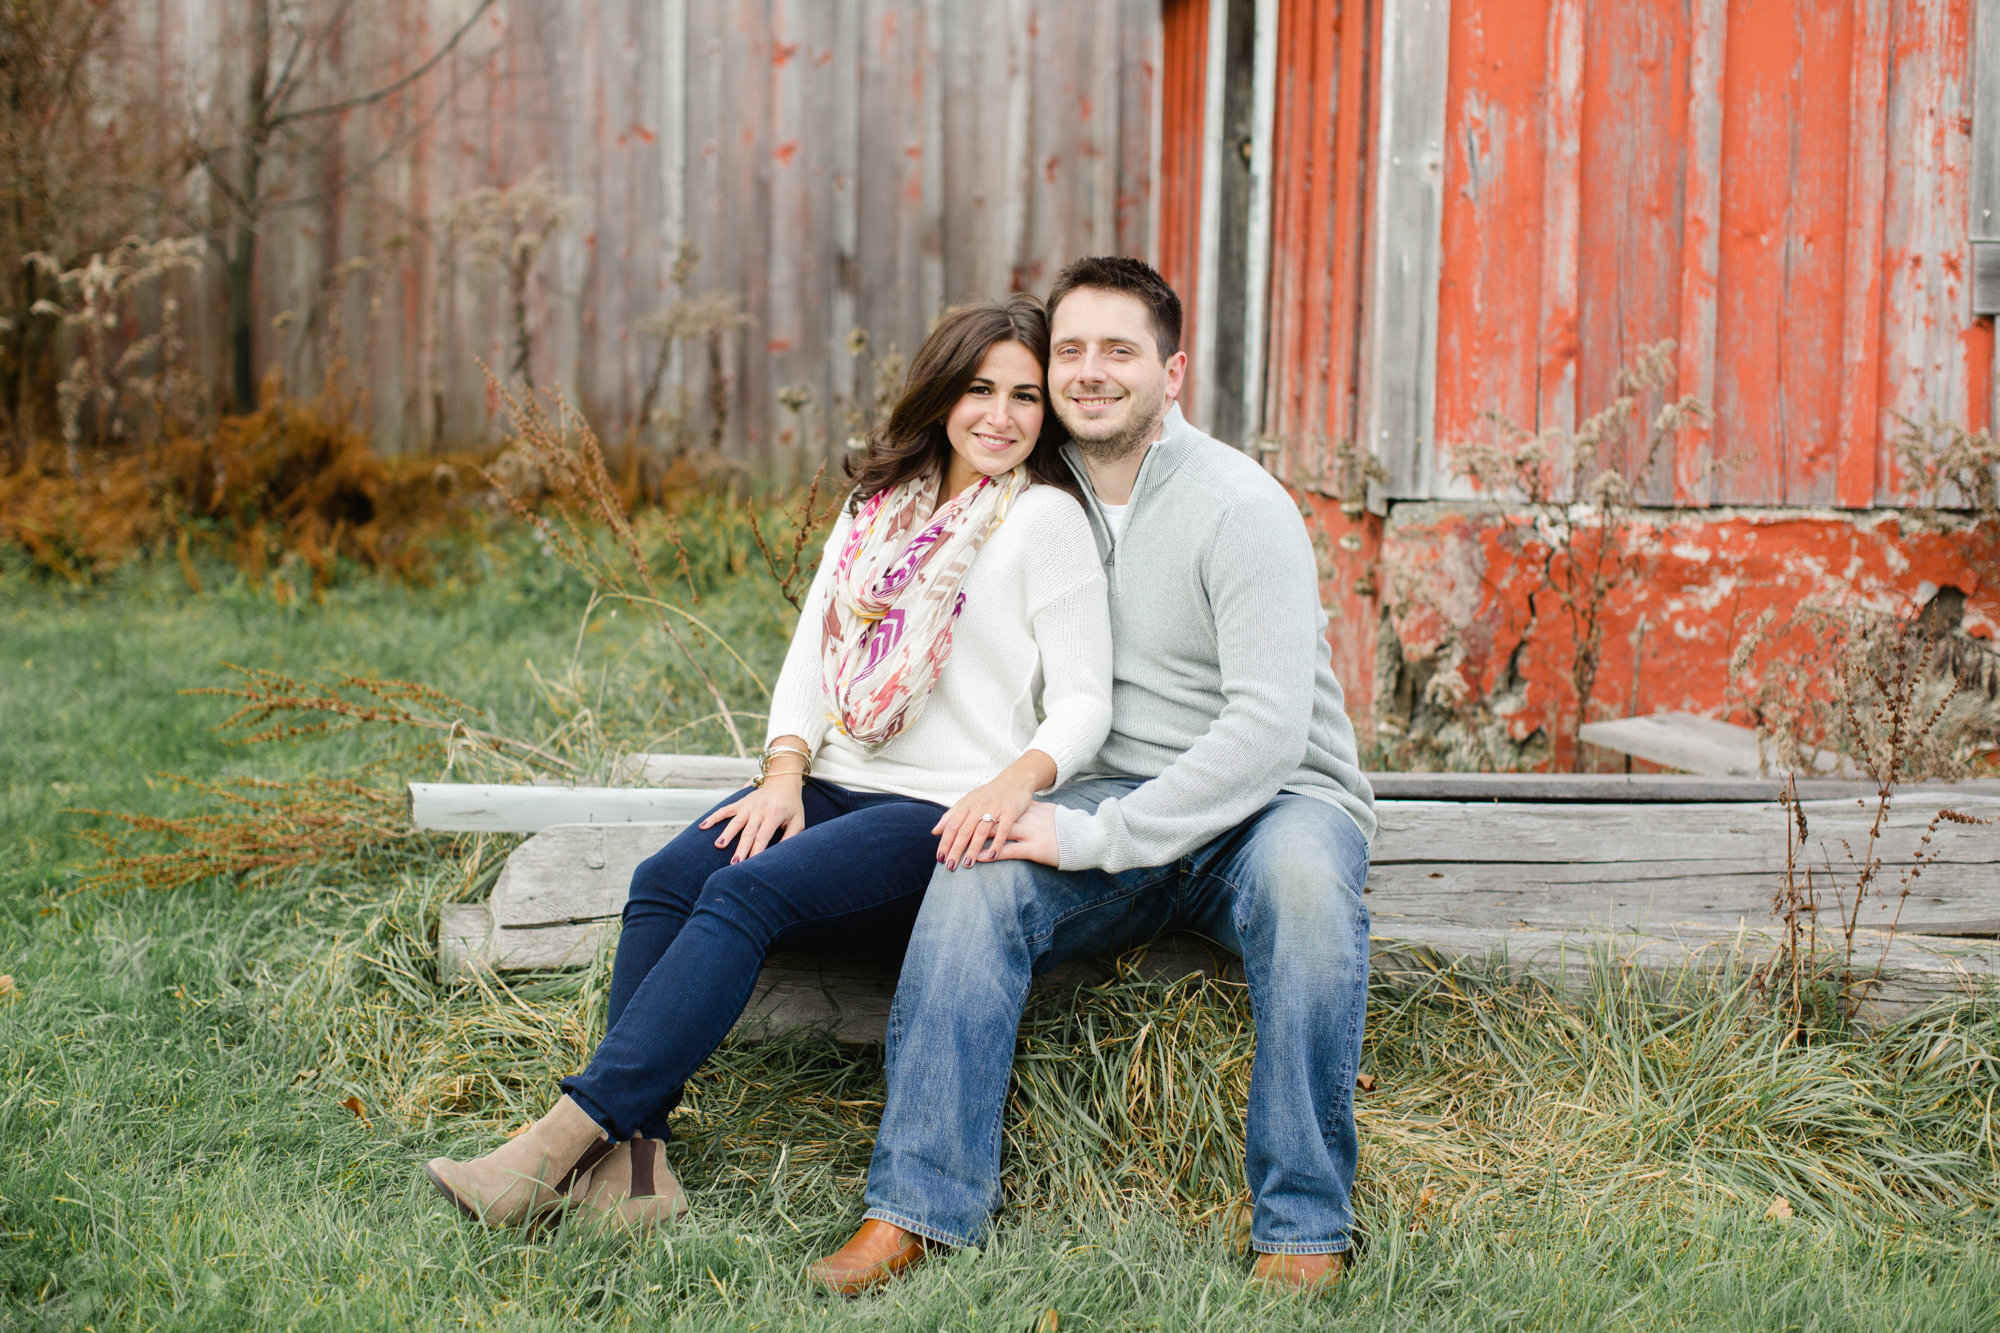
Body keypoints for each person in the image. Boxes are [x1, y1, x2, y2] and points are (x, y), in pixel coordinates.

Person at [422, 294, 1112, 1235]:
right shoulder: (877, 509)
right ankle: (637, 1172)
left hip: (943, 813)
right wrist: (783, 774)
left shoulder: (1046, 520)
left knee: (748, 893)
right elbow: (807, 662)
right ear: (942, 393)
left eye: (1026, 397)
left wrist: (1016, 778)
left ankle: (553, 1145)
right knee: (668, 878)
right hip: (830, 781)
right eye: (980, 388)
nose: (1001, 415)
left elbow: (1085, 704)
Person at [810, 257, 1377, 1295]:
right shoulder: (1032, 483)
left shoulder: (1239, 506)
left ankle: (1302, 1225)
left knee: (1304, 890)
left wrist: (1091, 837)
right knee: (971, 871)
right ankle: (916, 1211)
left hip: (1274, 802)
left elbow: (1264, 730)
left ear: (1171, 371)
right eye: (1069, 349)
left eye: (1118, 350)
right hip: (1106, 788)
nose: (1089, 371)